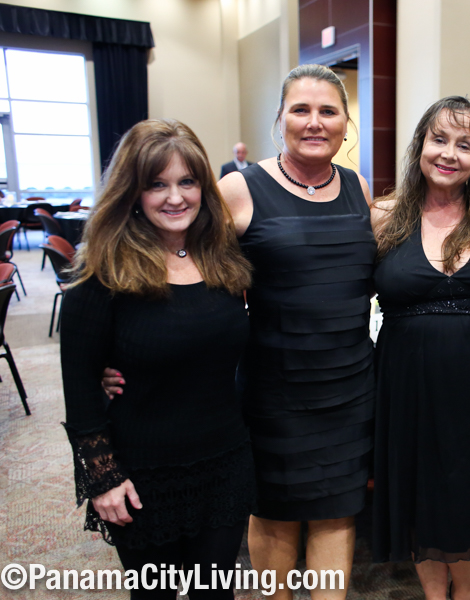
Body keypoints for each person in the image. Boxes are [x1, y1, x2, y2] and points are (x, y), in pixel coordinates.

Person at [104, 65, 374, 600]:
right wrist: (117, 353)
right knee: (274, 510)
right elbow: (173, 266)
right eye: (300, 109)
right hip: (275, 386)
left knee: (338, 513)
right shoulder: (239, 188)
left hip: (349, 385)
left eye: (328, 111)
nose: (314, 122)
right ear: (279, 119)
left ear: (346, 123)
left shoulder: (357, 187)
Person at [61, 118, 255, 599]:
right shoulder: (102, 271)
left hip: (224, 461)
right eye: (156, 185)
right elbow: (80, 388)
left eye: (187, 182)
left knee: (216, 593)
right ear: (132, 191)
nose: (175, 198)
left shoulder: (222, 257)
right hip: (144, 472)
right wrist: (103, 479)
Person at [371, 96, 470, 600]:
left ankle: (464, 592)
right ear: (420, 144)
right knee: (420, 490)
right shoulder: (384, 215)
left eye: (465, 145)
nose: (449, 154)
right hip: (407, 386)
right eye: (439, 139)